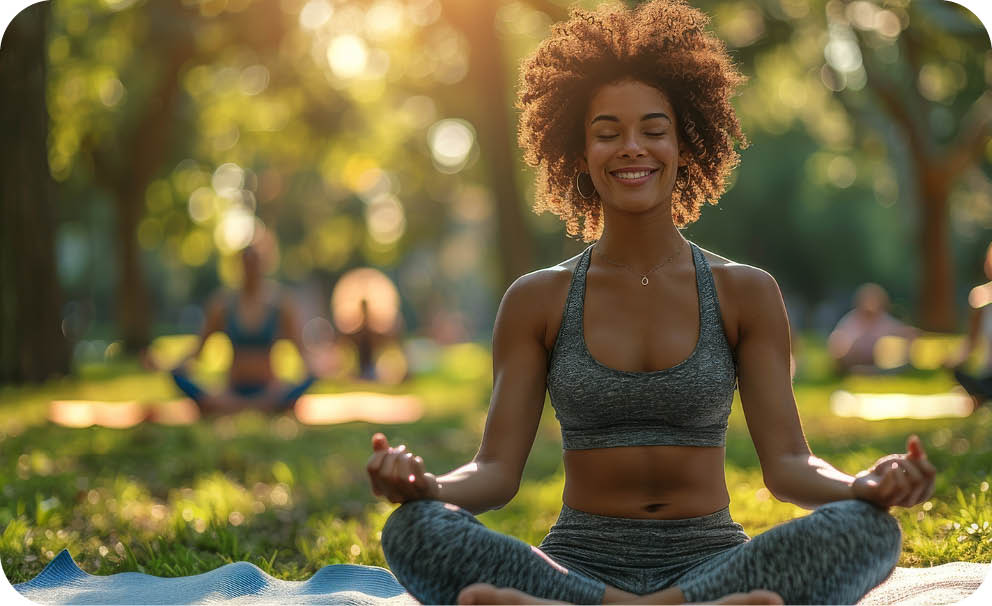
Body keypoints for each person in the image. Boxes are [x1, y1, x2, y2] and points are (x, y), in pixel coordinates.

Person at [367, 3, 936, 604]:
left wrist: (863, 485)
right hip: (577, 563)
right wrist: (428, 487)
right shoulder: (538, 300)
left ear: (685, 146)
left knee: (869, 530)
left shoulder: (745, 291)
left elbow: (792, 465)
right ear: (580, 152)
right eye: (607, 133)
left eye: (654, 130)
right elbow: (495, 474)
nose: (631, 148)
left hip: (712, 561)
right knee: (414, 528)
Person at [170, 244, 316, 415]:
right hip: (232, 392)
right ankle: (243, 406)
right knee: (181, 380)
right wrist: (170, 364)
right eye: (247, 264)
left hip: (270, 392)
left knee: (301, 387)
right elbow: (198, 350)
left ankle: (250, 407)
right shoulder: (222, 305)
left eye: (255, 263)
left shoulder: (280, 304)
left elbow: (302, 351)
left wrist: (319, 367)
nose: (251, 270)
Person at [827, 283, 919, 374]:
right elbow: (838, 341)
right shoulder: (851, 320)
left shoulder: (885, 321)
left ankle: (868, 371)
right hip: (854, 358)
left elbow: (905, 333)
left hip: (877, 360)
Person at [945, 242, 992, 408]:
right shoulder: (981, 300)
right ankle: (980, 395)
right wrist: (952, 361)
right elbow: (971, 344)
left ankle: (980, 397)